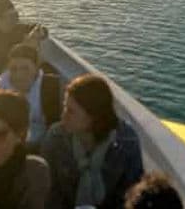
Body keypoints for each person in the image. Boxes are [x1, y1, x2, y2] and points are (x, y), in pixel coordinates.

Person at [42, 74, 143, 209]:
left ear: (94, 116)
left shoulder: (126, 140)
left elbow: (133, 193)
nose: (63, 116)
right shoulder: (55, 137)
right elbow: (49, 191)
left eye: (71, 111)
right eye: (65, 107)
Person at [0, 44, 61, 151]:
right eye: (13, 69)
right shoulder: (0, 85)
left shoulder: (50, 86)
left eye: (25, 68)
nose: (18, 75)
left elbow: (55, 125)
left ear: (36, 68)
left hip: (43, 144)